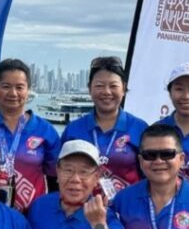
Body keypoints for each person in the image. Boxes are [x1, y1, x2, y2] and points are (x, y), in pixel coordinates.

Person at [0, 58, 61, 213]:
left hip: (33, 215)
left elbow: (55, 179)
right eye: (6, 86)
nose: (13, 93)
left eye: (19, 87)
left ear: (28, 90)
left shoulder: (45, 131)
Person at [60, 56, 148, 195]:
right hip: (82, 211)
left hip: (127, 211)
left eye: (113, 86)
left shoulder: (139, 128)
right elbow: (60, 173)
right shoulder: (74, 129)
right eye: (99, 86)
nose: (107, 92)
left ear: (123, 88)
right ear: (90, 89)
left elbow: (149, 175)